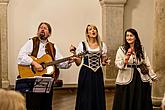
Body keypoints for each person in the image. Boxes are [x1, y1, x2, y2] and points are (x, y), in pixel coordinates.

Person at [17, 22, 73, 110]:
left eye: (45, 28)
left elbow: (60, 63)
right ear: (38, 31)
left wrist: (70, 61)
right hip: (32, 80)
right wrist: (34, 63)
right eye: (40, 28)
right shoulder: (31, 42)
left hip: (47, 82)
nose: (42, 29)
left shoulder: (53, 47)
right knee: (32, 106)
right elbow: (21, 57)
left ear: (49, 33)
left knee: (46, 106)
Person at [112, 28, 157, 110]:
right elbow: (117, 63)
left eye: (131, 36)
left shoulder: (141, 48)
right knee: (126, 100)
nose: (129, 37)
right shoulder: (121, 49)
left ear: (135, 37)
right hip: (125, 78)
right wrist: (126, 59)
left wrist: (152, 75)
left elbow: (147, 62)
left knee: (139, 100)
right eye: (127, 36)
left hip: (139, 78)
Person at [70, 24, 110, 110]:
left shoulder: (102, 45)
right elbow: (78, 63)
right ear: (87, 33)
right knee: (85, 96)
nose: (93, 31)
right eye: (90, 29)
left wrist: (105, 61)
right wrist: (74, 55)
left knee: (97, 95)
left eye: (94, 29)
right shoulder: (82, 45)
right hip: (86, 73)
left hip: (98, 73)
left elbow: (103, 62)